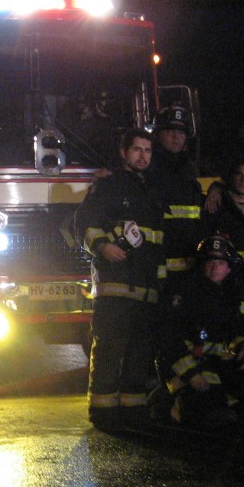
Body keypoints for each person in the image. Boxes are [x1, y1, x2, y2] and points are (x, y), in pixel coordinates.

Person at [74, 128, 166, 432]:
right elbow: (85, 223)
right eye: (137, 149)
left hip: (145, 285)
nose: (143, 156)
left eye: (148, 151)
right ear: (124, 152)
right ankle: (103, 412)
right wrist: (102, 246)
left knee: (140, 351)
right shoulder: (108, 186)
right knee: (110, 348)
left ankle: (133, 411)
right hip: (114, 283)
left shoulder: (151, 189)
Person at [151, 235, 244, 429]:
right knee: (201, 409)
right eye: (210, 261)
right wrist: (192, 375)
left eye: (220, 262)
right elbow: (169, 339)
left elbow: (240, 328)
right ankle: (165, 403)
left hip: (213, 361)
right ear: (201, 264)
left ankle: (220, 401)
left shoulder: (233, 293)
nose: (214, 267)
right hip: (182, 362)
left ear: (229, 267)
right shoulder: (184, 292)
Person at [144, 105, 205, 297]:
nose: (176, 136)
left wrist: (216, 189)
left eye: (181, 132)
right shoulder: (147, 169)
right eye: (170, 131)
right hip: (157, 269)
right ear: (157, 135)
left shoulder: (188, 169)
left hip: (188, 268)